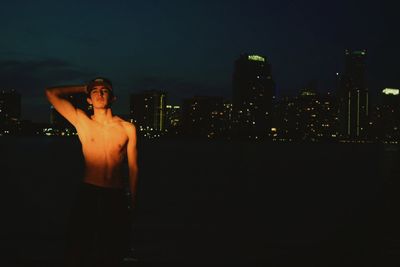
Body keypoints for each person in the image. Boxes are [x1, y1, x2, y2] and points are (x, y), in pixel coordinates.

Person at [45, 77, 139, 267]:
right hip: (89, 191)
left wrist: (133, 201)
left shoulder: (127, 128)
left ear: (113, 97)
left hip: (116, 194)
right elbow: (50, 93)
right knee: (78, 247)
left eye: (104, 90)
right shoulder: (82, 121)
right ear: (89, 99)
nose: (99, 93)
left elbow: (133, 168)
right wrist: (83, 87)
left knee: (113, 249)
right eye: (95, 91)